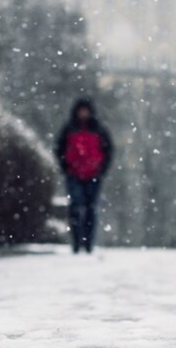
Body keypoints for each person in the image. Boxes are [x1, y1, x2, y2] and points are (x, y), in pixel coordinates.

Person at [55, 98, 114, 254]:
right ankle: (76, 243)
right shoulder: (69, 129)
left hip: (93, 174)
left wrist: (102, 169)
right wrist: (66, 167)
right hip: (73, 174)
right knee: (75, 207)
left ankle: (88, 244)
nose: (83, 113)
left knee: (90, 209)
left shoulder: (99, 130)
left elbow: (108, 151)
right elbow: (59, 149)